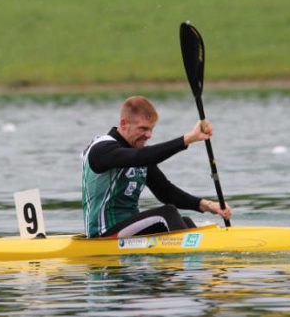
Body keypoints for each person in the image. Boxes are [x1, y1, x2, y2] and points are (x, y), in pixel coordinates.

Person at [81, 96, 232, 238]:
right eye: (143, 129)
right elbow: (139, 157)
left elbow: (166, 192)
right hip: (103, 234)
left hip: (128, 231)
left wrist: (210, 206)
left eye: (151, 129)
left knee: (185, 221)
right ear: (123, 124)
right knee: (167, 214)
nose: (149, 135)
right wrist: (188, 139)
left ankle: (198, 262)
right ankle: (187, 256)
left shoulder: (140, 153)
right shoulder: (101, 149)